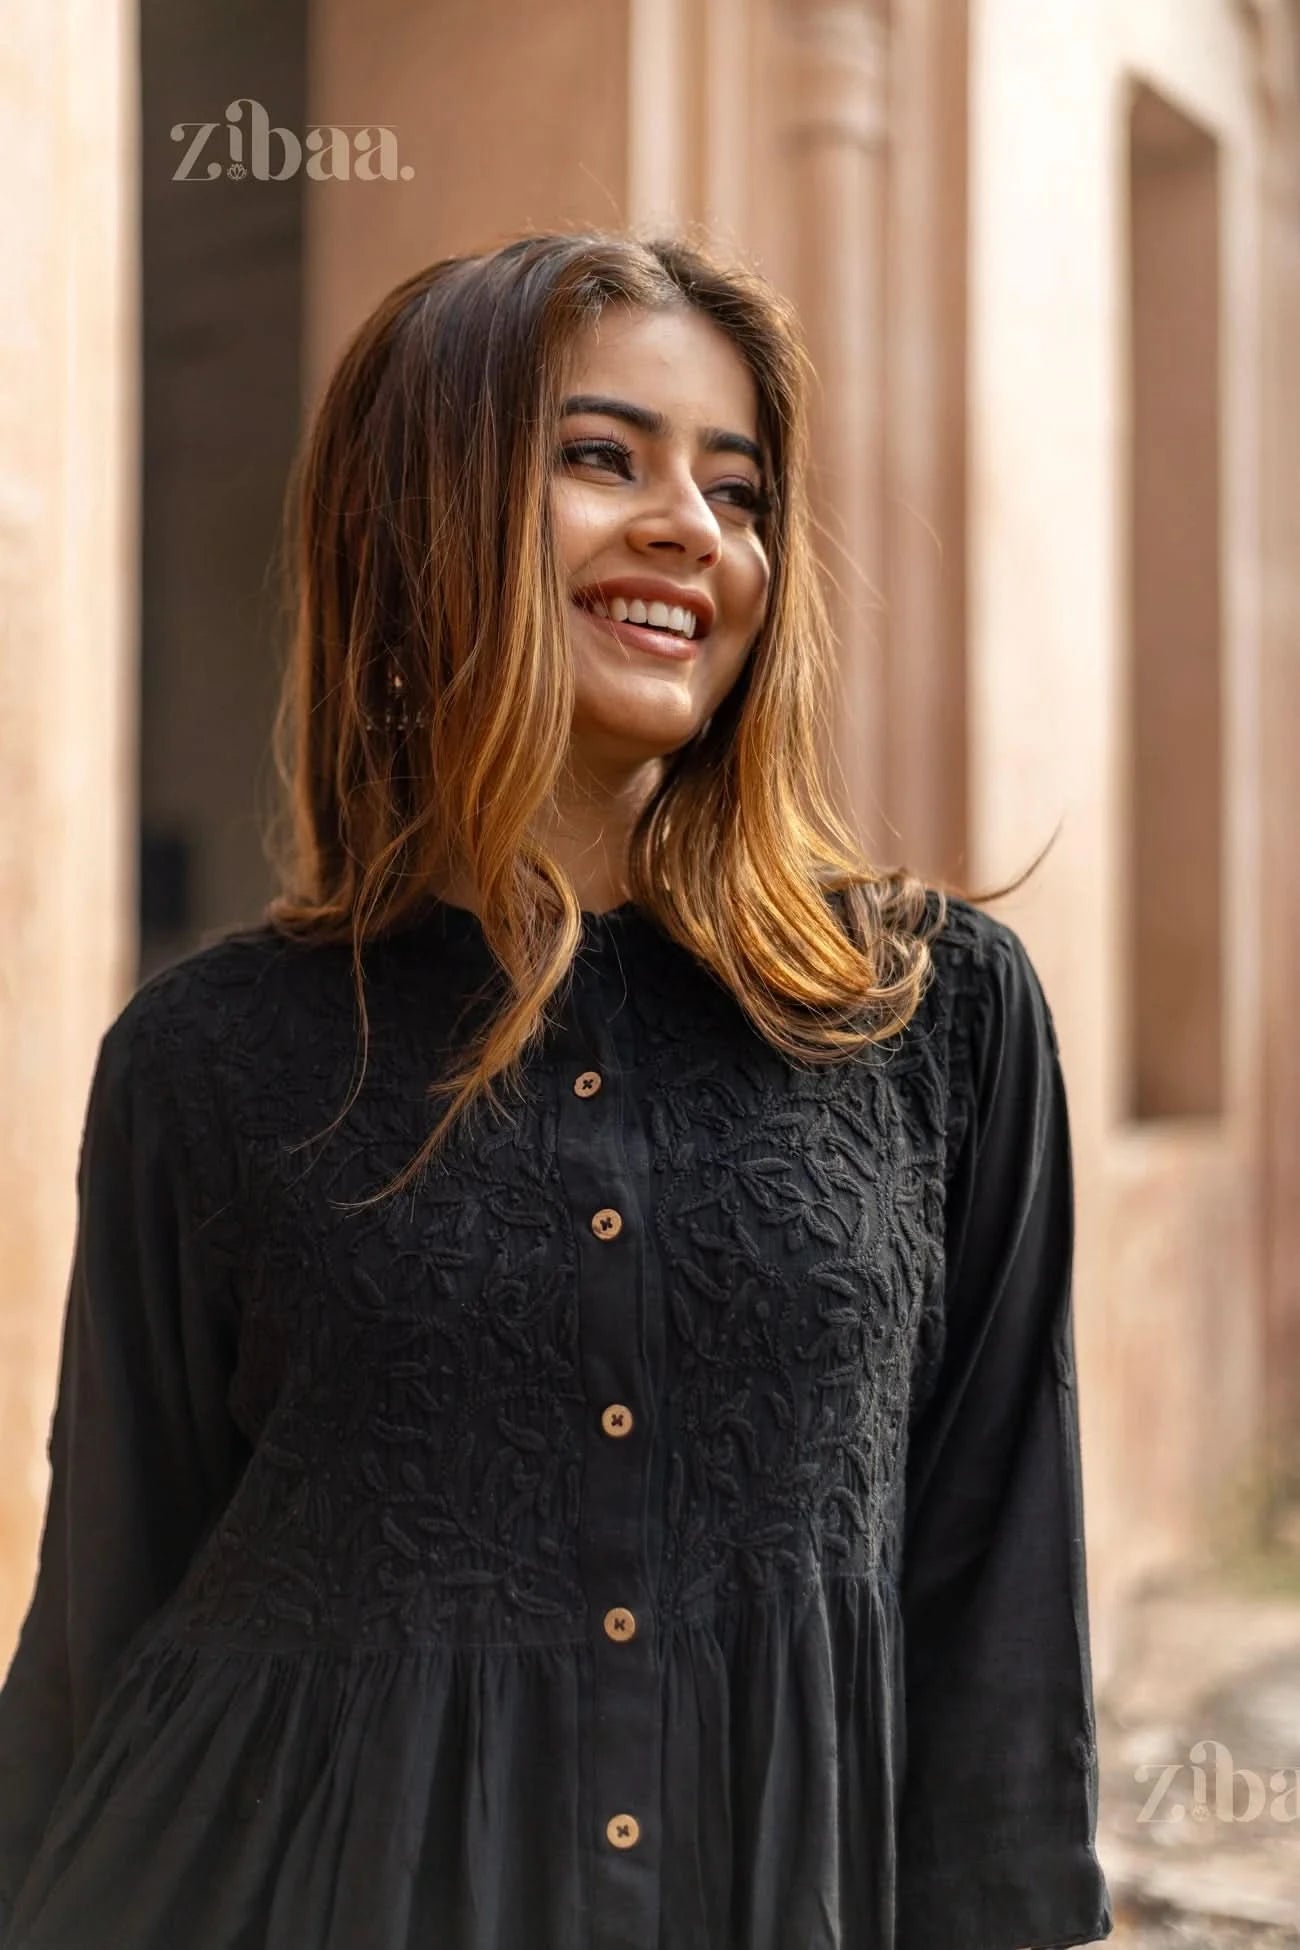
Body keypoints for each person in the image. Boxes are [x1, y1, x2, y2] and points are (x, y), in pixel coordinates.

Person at [0, 228, 1113, 1949]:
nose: (693, 528)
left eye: (737, 491)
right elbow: (105, 1606)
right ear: (421, 516)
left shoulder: (931, 1018)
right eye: (604, 458)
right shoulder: (211, 1056)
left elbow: (992, 1589)